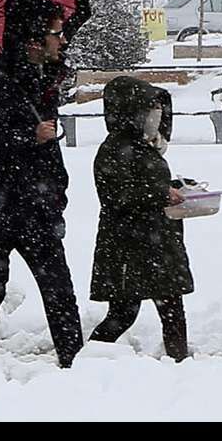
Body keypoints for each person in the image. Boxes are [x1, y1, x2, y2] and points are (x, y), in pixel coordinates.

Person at [0, 0, 83, 366]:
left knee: (59, 290)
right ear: (33, 39)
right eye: (56, 34)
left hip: (38, 206)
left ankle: (75, 361)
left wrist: (57, 195)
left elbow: (47, 156)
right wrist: (29, 136)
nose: (62, 41)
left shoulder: (42, 80)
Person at [88, 76, 193, 362]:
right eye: (149, 110)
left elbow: (143, 183)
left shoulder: (143, 146)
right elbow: (118, 196)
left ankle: (180, 363)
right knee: (124, 314)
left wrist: (174, 187)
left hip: (153, 243)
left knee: (170, 308)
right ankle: (90, 359)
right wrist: (162, 193)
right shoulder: (114, 150)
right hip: (129, 245)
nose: (155, 116)